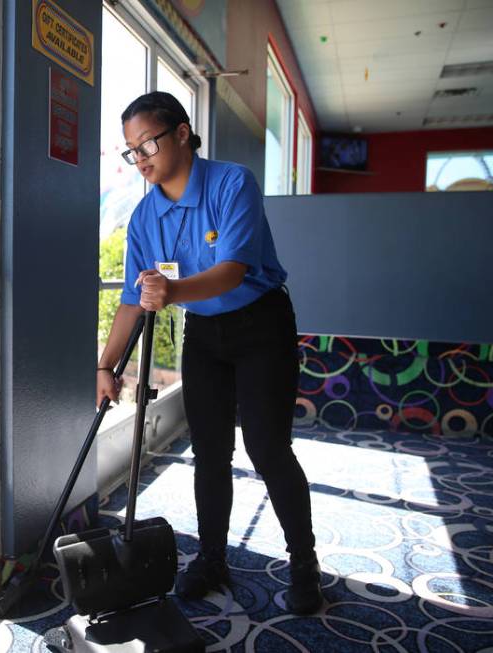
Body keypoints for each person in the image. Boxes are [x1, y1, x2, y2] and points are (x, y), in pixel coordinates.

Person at [95, 92, 323, 615]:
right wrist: (107, 366)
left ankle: (304, 561)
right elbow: (133, 300)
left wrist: (171, 293)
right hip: (206, 335)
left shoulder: (231, 182)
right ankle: (213, 557)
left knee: (268, 450)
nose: (141, 156)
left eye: (148, 141)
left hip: (261, 323)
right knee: (210, 454)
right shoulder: (144, 218)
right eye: (132, 150)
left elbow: (233, 270)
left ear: (181, 133)